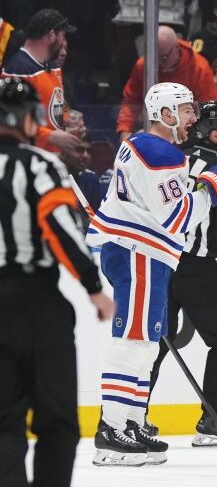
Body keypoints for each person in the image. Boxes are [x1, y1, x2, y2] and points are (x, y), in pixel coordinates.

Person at [85, 83, 217, 466]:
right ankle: (112, 430)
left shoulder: (144, 144)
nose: (193, 119)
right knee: (134, 341)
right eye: (187, 111)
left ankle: (132, 423)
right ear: (167, 114)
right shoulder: (161, 152)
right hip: (139, 252)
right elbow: (179, 219)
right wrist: (215, 188)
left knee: (148, 344)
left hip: (145, 254)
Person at [0, 77, 114, 487]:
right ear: (30, 119)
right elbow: (60, 227)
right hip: (36, 302)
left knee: (3, 421)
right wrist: (92, 286)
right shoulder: (40, 164)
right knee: (57, 420)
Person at [147, 101, 217, 447]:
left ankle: (131, 418)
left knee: (154, 343)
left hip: (159, 261)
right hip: (196, 268)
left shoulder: (171, 159)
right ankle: (212, 421)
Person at [116, 27, 217, 142]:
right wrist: (124, 131)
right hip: (151, 133)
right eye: (153, 56)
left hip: (187, 137)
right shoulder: (144, 65)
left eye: (163, 57)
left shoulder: (199, 68)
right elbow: (131, 102)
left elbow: (207, 112)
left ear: (176, 47)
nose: (157, 63)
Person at [1, 8, 81, 153]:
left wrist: (67, 117)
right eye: (62, 35)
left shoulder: (52, 66)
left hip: (53, 158)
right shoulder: (18, 70)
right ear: (51, 35)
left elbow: (55, 104)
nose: (63, 41)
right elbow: (11, 121)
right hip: (29, 160)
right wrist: (50, 136)